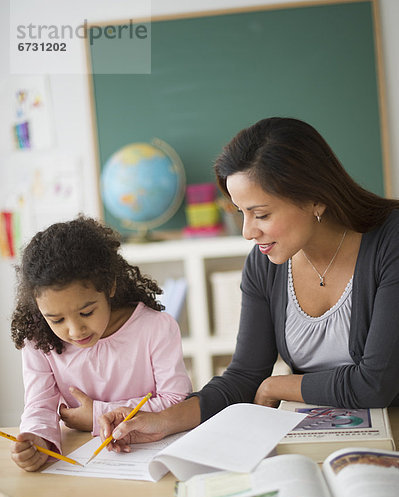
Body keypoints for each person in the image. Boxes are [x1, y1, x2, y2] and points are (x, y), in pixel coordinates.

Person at [98, 116, 399, 454]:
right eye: (240, 212)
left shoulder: (390, 242)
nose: (247, 231)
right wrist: (163, 421)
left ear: (316, 198)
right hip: (324, 438)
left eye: (262, 214)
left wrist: (277, 386)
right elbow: (244, 375)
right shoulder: (265, 263)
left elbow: (375, 384)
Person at [10, 216, 192, 471]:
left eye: (86, 313)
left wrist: (96, 415)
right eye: (57, 319)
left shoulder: (156, 328)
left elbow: (176, 401)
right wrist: (36, 439)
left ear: (110, 286)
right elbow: (39, 405)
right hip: (83, 460)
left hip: (152, 454)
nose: (75, 330)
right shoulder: (39, 342)